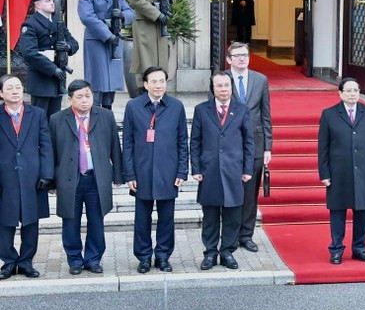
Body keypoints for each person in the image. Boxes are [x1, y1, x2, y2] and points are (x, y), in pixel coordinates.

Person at [49, 80, 123, 275]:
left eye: (87, 96)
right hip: (69, 179)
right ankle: (74, 259)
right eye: (79, 96)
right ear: (70, 99)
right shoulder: (57, 119)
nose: (84, 100)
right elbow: (51, 153)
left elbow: (115, 146)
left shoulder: (105, 116)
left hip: (97, 178)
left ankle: (93, 259)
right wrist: (51, 180)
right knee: (70, 221)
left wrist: (118, 175)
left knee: (96, 220)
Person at [122, 66, 189, 273]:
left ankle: (162, 256)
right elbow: (128, 143)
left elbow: (182, 142)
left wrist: (181, 171)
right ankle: (143, 257)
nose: (159, 85)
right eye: (154, 81)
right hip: (141, 173)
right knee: (142, 219)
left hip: (168, 173)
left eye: (162, 81)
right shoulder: (133, 107)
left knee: (166, 218)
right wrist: (129, 173)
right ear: (145, 84)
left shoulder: (176, 107)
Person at [191, 72, 255, 270]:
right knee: (210, 215)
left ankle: (227, 251)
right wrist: (196, 168)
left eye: (226, 85)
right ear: (213, 88)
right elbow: (195, 141)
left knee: (233, 215)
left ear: (232, 87)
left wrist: (247, 169)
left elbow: (249, 142)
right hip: (209, 171)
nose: (223, 90)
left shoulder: (242, 110)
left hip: (234, 171)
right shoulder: (201, 110)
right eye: (219, 86)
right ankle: (210, 253)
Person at [318, 77, 365, 264]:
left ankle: (359, 248)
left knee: (362, 213)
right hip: (338, 172)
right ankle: (336, 249)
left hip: (363, 172)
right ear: (340, 93)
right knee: (337, 212)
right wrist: (324, 173)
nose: (353, 93)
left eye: (356, 90)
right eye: (349, 90)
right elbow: (323, 147)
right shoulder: (329, 114)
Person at [0, 74, 53, 279]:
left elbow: (46, 145)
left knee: (31, 222)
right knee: (5, 222)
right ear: (1, 93)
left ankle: (26, 262)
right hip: (5, 177)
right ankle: (8, 261)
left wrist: (47, 174)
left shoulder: (37, 113)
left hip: (32, 177)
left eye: (18, 87)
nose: (15, 91)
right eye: (10, 88)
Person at [226, 42, 272, 252]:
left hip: (255, 143)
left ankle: (246, 235)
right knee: (232, 192)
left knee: (250, 193)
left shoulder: (260, 80)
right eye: (237, 55)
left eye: (245, 55)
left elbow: (265, 115)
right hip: (229, 144)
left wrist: (268, 148)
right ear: (229, 59)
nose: (242, 59)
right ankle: (231, 235)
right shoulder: (222, 80)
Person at [78, 0, 136, 110]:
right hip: (98, 40)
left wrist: (121, 16)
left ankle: (107, 115)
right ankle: (95, 113)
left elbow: (130, 12)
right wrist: (107, 35)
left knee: (111, 82)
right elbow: (87, 17)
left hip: (114, 39)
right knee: (98, 82)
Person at [18, 0, 79, 119]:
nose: (52, 3)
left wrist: (67, 46)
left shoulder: (57, 22)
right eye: (47, 1)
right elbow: (29, 53)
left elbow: (74, 43)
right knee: (39, 119)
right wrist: (52, 69)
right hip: (41, 79)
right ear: (38, 5)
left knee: (54, 119)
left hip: (57, 81)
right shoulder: (30, 25)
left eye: (52, 0)